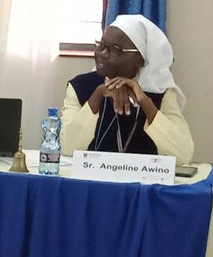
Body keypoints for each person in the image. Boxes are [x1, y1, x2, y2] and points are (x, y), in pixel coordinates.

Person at [60, 14, 193, 165]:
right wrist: (97, 96)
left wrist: (145, 102)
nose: (101, 54)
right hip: (93, 183)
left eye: (114, 49)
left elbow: (183, 156)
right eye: (101, 44)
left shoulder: (161, 92)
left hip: (145, 184)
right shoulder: (81, 86)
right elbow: (68, 148)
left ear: (141, 58)